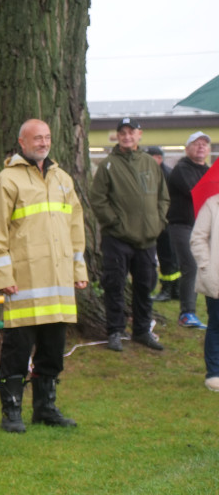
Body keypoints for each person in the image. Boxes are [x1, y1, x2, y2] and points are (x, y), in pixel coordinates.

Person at [0, 118, 87, 433]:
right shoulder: (7, 179)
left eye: (47, 137)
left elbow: (75, 228)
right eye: (36, 138)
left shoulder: (62, 179)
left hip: (58, 283)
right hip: (24, 283)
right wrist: (3, 276)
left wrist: (78, 269)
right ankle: (11, 412)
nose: (43, 143)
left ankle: (45, 408)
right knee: (17, 351)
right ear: (22, 142)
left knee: (53, 351)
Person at [90, 118, 168, 352]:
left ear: (139, 134)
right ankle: (115, 331)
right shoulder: (108, 165)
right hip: (117, 239)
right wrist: (115, 223)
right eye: (122, 133)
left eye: (131, 132)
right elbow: (98, 199)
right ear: (117, 136)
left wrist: (158, 222)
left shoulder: (150, 163)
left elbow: (163, 197)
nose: (126, 136)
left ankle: (142, 330)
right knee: (114, 285)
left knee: (145, 286)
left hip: (147, 238)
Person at [166, 132, 211, 329]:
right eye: (196, 143)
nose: (201, 146)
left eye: (204, 144)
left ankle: (210, 311)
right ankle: (187, 313)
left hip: (204, 226)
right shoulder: (182, 169)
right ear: (187, 149)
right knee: (191, 266)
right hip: (182, 225)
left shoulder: (208, 170)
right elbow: (197, 191)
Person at [190, 192, 219, 391]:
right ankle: (214, 372)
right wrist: (206, 267)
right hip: (216, 276)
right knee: (217, 323)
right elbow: (198, 238)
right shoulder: (212, 205)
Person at [147, 145, 180, 302]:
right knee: (171, 257)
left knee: (167, 257)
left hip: (165, 223)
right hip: (167, 221)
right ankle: (176, 290)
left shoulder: (163, 174)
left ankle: (167, 290)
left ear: (159, 158)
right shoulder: (163, 172)